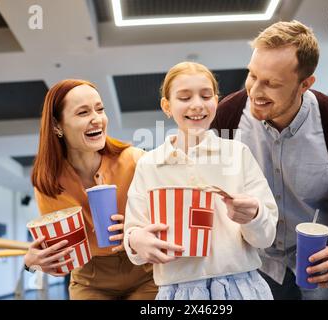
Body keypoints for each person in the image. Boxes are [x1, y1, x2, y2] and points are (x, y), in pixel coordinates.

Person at [210, 20, 328, 300]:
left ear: (305, 84)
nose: (255, 92)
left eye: (271, 84)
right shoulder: (227, 117)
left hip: (322, 255)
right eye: (252, 76)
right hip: (254, 257)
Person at [123, 62, 278, 300]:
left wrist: (255, 215)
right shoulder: (149, 165)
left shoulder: (238, 154)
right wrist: (135, 240)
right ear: (167, 106)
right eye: (184, 97)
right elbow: (133, 234)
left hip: (241, 287)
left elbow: (266, 237)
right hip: (177, 292)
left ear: (216, 101)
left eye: (206, 96)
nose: (197, 104)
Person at [24, 79, 157, 300]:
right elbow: (60, 259)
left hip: (146, 272)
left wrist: (135, 230)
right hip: (89, 279)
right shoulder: (48, 183)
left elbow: (167, 218)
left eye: (100, 109)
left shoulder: (135, 161)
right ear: (57, 126)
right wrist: (32, 264)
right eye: (83, 112)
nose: (97, 119)